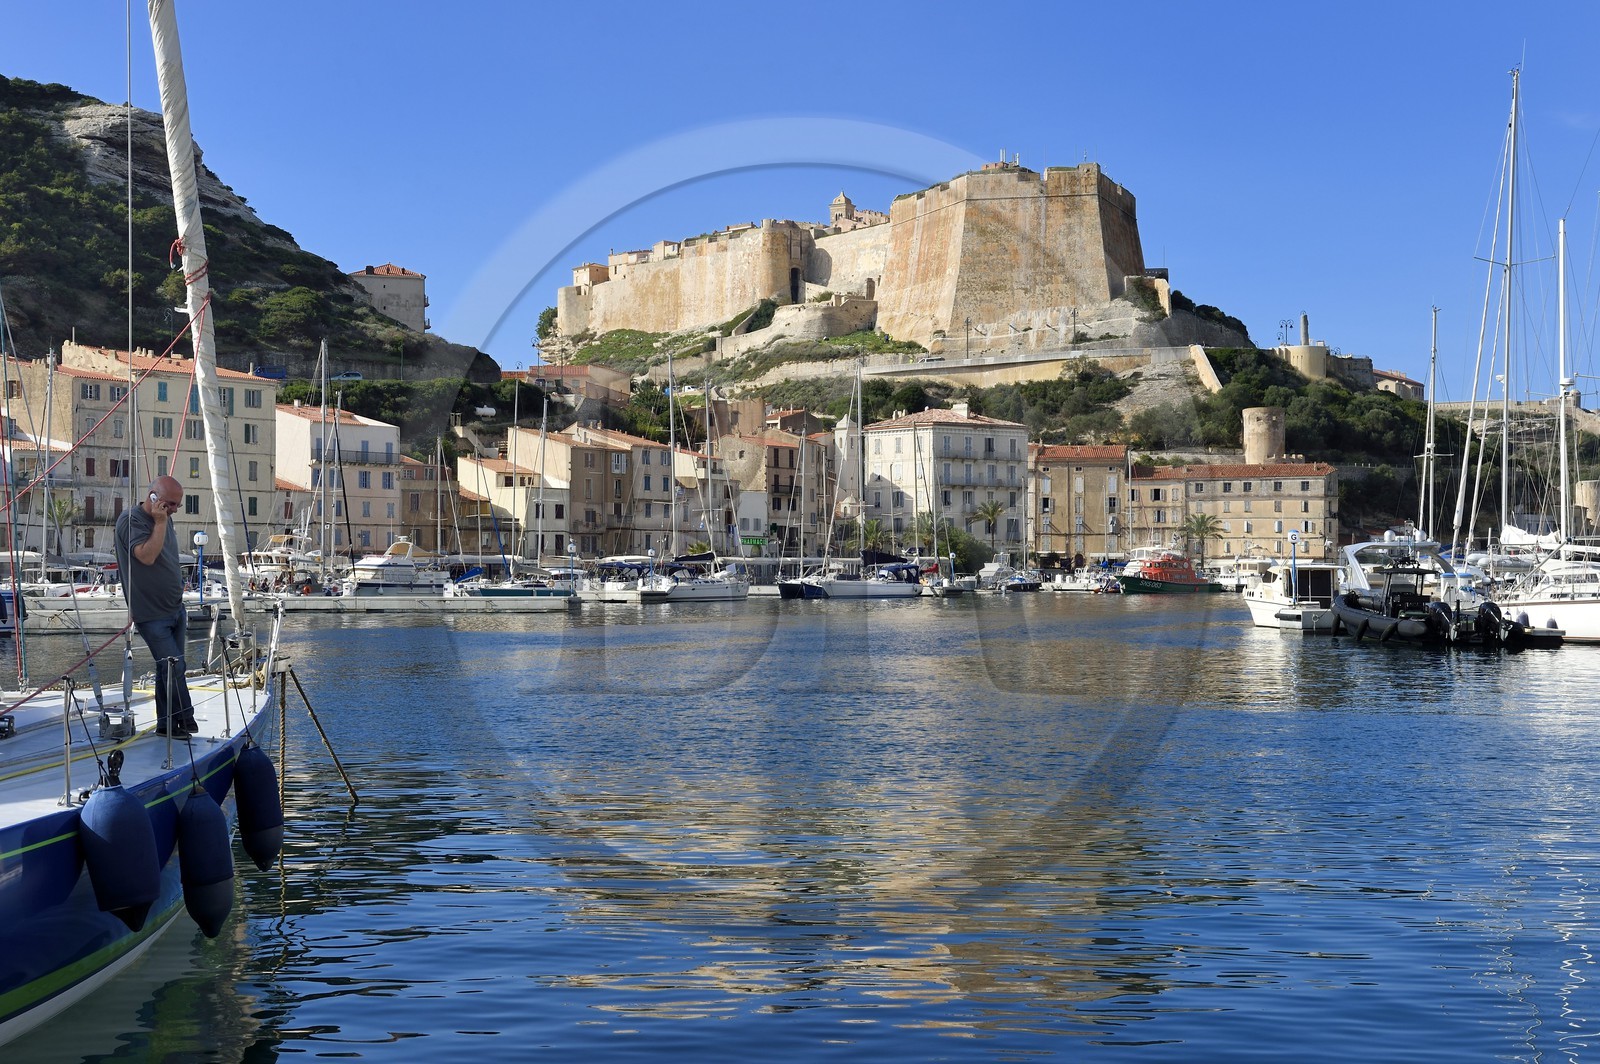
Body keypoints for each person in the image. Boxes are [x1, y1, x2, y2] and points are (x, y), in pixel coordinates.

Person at [114, 475, 197, 736]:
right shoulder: (131, 521)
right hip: (151, 614)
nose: (172, 510)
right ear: (152, 496)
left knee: (166, 669)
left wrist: (163, 519)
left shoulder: (165, 518)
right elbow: (146, 557)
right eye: (169, 504)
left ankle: (167, 725)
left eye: (176, 506)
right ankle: (185, 718)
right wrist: (160, 521)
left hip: (175, 609)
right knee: (174, 665)